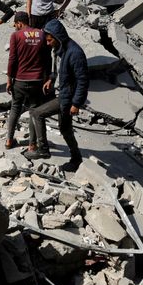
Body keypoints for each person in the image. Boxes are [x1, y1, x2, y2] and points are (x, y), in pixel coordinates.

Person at [25, 19, 87, 172]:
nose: (47, 43)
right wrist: (51, 80)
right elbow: (59, 70)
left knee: (36, 113)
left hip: (67, 98)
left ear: (57, 36)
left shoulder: (75, 53)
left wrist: (76, 104)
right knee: (65, 129)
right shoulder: (60, 49)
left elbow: (83, 81)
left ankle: (43, 150)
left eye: (49, 40)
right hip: (63, 94)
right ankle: (76, 159)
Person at [5, 11, 51, 150]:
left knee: (15, 108)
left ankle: (8, 140)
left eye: (15, 25)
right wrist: (48, 77)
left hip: (19, 79)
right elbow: (48, 58)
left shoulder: (15, 36)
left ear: (19, 23)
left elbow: (12, 59)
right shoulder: (41, 34)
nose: (15, 27)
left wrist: (9, 79)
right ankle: (32, 144)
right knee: (34, 111)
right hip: (37, 80)